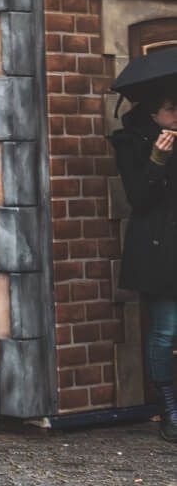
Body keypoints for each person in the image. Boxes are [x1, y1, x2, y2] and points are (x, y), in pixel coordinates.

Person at [111, 85, 177, 442]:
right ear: (153, 114)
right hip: (159, 250)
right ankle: (169, 409)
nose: (176, 114)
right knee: (165, 330)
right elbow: (138, 199)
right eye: (170, 108)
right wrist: (157, 161)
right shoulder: (131, 142)